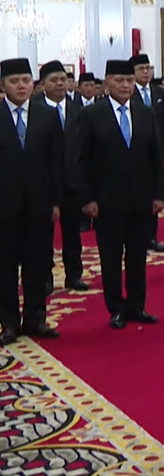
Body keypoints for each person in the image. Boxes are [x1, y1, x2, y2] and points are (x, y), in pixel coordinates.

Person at [78, 58, 164, 328]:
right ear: (106, 84)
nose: (126, 85)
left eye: (129, 80)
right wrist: (87, 198)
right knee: (111, 257)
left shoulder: (145, 113)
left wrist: (160, 194)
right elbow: (81, 160)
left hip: (141, 199)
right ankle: (116, 307)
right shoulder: (92, 115)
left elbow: (156, 157)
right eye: (119, 81)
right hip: (106, 202)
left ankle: (137, 305)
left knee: (138, 255)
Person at [0, 57, 63, 343]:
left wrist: (56, 202)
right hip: (4, 207)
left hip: (39, 205)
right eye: (15, 81)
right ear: (3, 86)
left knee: (37, 265)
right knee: (5, 267)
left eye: (26, 80)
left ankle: (36, 320)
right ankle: (10, 323)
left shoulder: (46, 115)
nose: (21, 86)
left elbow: (56, 163)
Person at [34, 61, 89, 293]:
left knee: (72, 233)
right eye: (53, 80)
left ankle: (74, 274)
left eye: (63, 80)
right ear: (42, 85)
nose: (59, 84)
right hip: (44, 183)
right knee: (43, 235)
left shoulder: (80, 111)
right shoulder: (34, 110)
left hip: (73, 183)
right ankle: (45, 277)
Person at [131, 54, 164, 245]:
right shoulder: (128, 92)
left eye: (148, 68)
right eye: (141, 69)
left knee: (155, 193)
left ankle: (152, 237)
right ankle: (139, 236)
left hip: (157, 152)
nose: (146, 72)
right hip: (136, 153)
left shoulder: (160, 93)